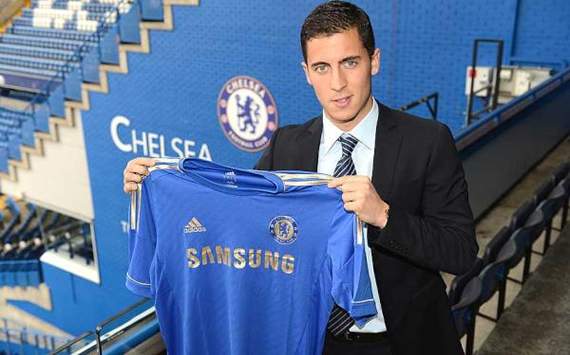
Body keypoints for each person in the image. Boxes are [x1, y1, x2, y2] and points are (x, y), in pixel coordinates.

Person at [123, 1, 478, 354]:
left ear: (374, 60)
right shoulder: (286, 145)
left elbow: (461, 253)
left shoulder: (428, 141)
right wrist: (158, 184)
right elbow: (240, 217)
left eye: (349, 63)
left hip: (406, 342)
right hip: (314, 342)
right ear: (306, 72)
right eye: (322, 67)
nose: (337, 83)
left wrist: (384, 216)